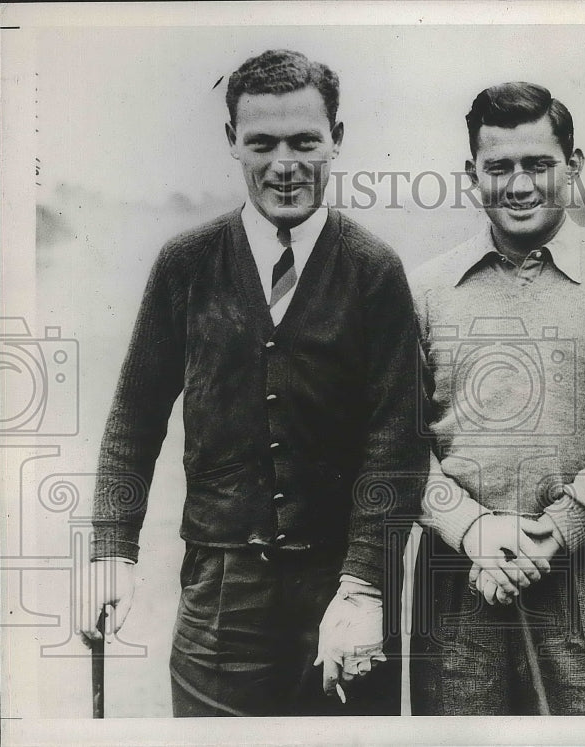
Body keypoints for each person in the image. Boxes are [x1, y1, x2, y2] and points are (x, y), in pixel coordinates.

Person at [79, 49, 426, 717]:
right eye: (261, 143)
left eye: (305, 141)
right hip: (221, 593)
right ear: (231, 143)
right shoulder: (187, 264)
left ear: (337, 140)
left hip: (341, 587)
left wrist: (363, 588)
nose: (284, 165)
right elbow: (134, 415)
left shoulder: (374, 270)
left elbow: (397, 441)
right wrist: (110, 547)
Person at [408, 82, 585, 715]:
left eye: (539, 164)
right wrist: (469, 528)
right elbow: (398, 440)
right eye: (499, 167)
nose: (521, 184)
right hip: (458, 582)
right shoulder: (424, 289)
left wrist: (558, 529)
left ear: (574, 165)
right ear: (471, 174)